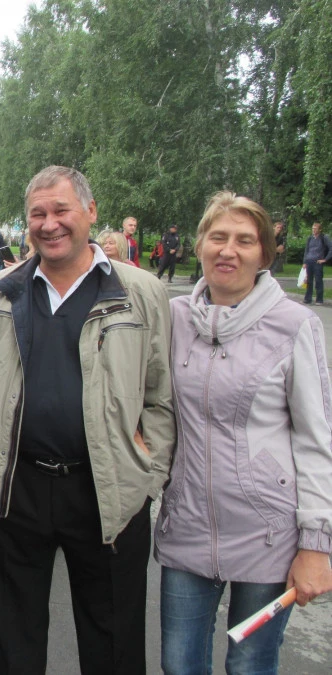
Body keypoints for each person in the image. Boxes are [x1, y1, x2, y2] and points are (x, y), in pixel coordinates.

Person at [0, 166, 174, 675]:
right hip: (17, 488)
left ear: (91, 213)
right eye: (38, 213)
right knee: (16, 639)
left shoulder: (140, 292)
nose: (49, 224)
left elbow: (160, 394)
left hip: (108, 490)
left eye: (61, 210)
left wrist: (148, 470)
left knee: (115, 641)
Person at [155, 192, 332, 674]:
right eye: (218, 237)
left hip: (268, 534)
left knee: (251, 664)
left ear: (264, 254)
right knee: (179, 664)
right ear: (199, 246)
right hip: (188, 526)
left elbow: (317, 441)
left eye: (244, 240)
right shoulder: (173, 320)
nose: (228, 250)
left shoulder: (295, 325)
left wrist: (317, 545)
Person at [302, 221, 330, 305]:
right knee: (308, 281)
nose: (313, 230)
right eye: (312, 228)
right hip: (309, 261)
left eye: (315, 228)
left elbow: (331, 248)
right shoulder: (310, 238)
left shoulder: (324, 237)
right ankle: (308, 298)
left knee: (318, 281)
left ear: (319, 229)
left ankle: (319, 299)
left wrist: (325, 259)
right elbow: (307, 250)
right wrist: (304, 262)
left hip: (318, 262)